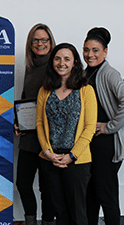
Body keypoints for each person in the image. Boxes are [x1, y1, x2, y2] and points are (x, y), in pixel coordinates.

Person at [82, 28, 124, 225]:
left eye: (96, 50)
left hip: (106, 144)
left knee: (106, 195)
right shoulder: (85, 73)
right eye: (87, 49)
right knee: (90, 194)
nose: (90, 54)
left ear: (105, 52)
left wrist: (110, 126)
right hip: (91, 143)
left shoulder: (108, 73)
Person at [36, 43, 97, 225]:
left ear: (74, 63)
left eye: (67, 59)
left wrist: (72, 155)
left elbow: (89, 127)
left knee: (78, 213)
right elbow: (39, 123)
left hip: (77, 161)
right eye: (57, 58)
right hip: (50, 159)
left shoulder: (86, 90)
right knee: (59, 212)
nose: (61, 63)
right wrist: (48, 153)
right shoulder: (44, 90)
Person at [14, 23, 56, 225]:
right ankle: (30, 221)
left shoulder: (56, 66)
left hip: (49, 138)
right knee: (23, 183)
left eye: (44, 40)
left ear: (51, 42)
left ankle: (47, 221)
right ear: (30, 44)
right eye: (36, 40)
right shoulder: (30, 67)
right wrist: (18, 121)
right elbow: (25, 99)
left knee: (48, 188)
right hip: (29, 137)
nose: (40, 44)